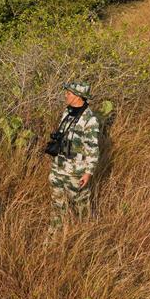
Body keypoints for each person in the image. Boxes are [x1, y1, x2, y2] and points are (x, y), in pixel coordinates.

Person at [44, 82, 101, 228]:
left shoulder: (90, 120)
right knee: (57, 205)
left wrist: (88, 173)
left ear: (78, 96)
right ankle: (55, 234)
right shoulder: (67, 113)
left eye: (69, 93)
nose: (66, 95)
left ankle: (85, 234)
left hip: (76, 172)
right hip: (58, 167)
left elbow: (92, 149)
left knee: (81, 208)